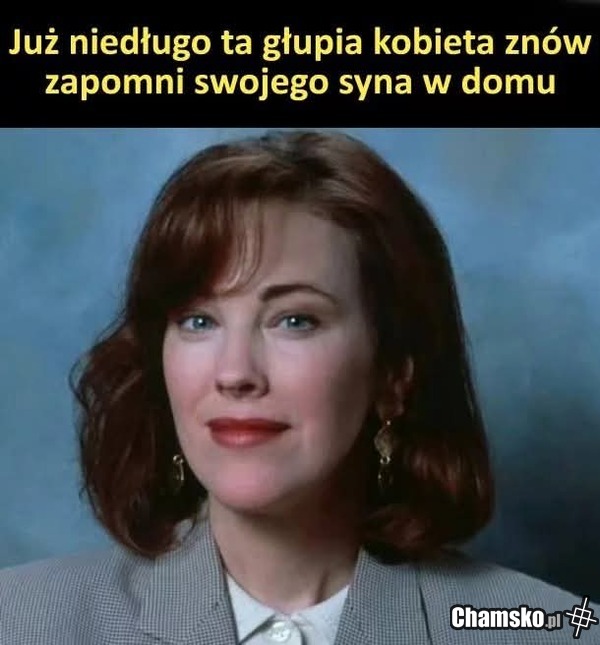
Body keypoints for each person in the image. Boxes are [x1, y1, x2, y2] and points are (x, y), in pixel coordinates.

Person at [0, 130, 597, 644]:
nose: (235, 372)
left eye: (295, 320)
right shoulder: (21, 621)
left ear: (393, 374)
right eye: (198, 321)